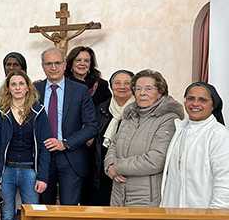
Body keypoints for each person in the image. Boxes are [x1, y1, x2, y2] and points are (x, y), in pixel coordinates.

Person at [158, 82, 229, 220]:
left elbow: (225, 179)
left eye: (202, 100)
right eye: (191, 98)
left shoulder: (219, 134)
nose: (195, 104)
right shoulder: (181, 129)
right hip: (174, 214)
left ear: (213, 105)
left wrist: (215, 218)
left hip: (206, 217)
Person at [0, 70, 51, 220]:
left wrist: (43, 176)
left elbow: (45, 147)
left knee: (32, 215)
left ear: (27, 87)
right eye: (13, 84)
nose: (17, 88)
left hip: (30, 172)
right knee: (6, 215)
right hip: (5, 172)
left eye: (21, 84)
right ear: (8, 88)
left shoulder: (38, 111)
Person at [104, 69, 183, 207]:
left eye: (148, 88)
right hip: (118, 192)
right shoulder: (130, 115)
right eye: (138, 88)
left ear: (160, 92)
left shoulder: (169, 119)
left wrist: (117, 167)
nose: (142, 93)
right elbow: (114, 144)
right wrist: (109, 165)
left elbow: (156, 159)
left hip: (146, 197)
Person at [34, 47, 98, 206]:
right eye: (49, 63)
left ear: (64, 65)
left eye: (57, 63)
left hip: (71, 157)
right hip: (42, 158)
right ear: (43, 66)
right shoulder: (34, 91)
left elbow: (92, 126)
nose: (53, 67)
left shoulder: (80, 90)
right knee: (43, 210)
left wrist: (65, 143)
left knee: (68, 210)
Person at [89, 70, 135, 206]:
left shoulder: (139, 111)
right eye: (117, 83)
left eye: (127, 83)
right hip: (100, 170)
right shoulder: (100, 108)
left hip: (126, 171)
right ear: (111, 86)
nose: (122, 86)